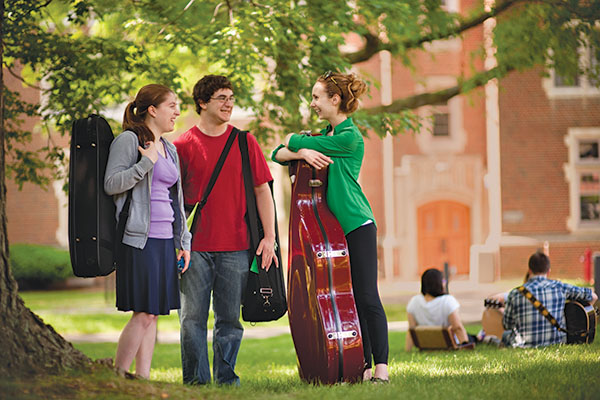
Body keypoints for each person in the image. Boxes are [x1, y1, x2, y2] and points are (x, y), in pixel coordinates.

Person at [271, 71, 389, 383]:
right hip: (333, 229)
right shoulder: (328, 136)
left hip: (356, 223)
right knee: (348, 297)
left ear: (334, 99)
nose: (312, 103)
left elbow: (289, 141)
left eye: (316, 97)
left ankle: (382, 369)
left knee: (366, 296)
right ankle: (361, 366)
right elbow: (277, 153)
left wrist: (302, 146)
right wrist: (302, 152)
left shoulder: (348, 138)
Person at [174, 75, 277, 386]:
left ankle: (226, 379)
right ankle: (196, 382)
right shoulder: (181, 145)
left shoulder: (245, 142)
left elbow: (262, 190)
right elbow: (172, 199)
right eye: (221, 97)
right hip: (194, 248)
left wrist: (269, 237)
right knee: (191, 319)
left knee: (230, 320)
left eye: (231, 97)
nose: (229, 103)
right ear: (202, 103)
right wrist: (176, 243)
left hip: (237, 246)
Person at [104, 84, 191, 379]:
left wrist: (183, 242)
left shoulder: (170, 147)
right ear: (152, 110)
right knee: (143, 312)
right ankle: (119, 375)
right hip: (139, 240)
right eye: (172, 106)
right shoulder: (129, 141)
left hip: (165, 241)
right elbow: (112, 184)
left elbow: (176, 200)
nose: (177, 112)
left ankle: (142, 380)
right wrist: (146, 163)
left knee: (153, 314)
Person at [502, 251, 597, 348]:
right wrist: (582, 316)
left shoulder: (515, 293)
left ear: (529, 270)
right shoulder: (559, 287)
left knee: (505, 335)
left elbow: (507, 325)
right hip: (557, 342)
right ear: (548, 271)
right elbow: (593, 297)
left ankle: (489, 339)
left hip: (524, 345)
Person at [405, 268, 473, 351]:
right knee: (472, 337)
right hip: (447, 343)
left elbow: (412, 331)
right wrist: (465, 345)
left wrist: (407, 350)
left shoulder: (414, 301)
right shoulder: (447, 300)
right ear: (439, 283)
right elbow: (457, 327)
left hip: (426, 345)